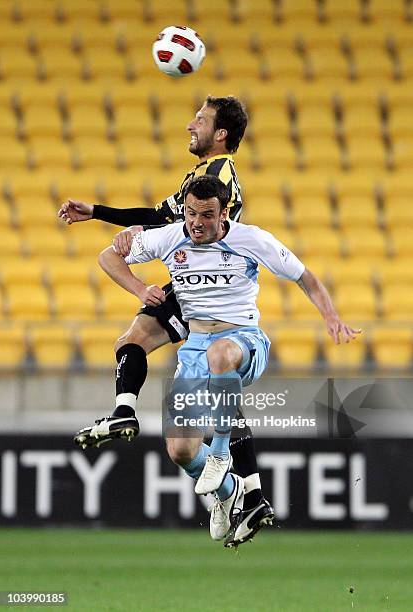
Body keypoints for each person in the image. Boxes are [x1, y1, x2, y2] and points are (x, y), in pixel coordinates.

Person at [98, 175, 361, 545]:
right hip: (194, 350)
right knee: (181, 450)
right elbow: (107, 256)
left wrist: (331, 316)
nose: (196, 223)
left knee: (220, 353)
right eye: (190, 213)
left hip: (243, 340)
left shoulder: (250, 239)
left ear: (224, 213)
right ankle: (229, 492)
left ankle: (221, 453)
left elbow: (306, 277)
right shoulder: (172, 236)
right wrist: (142, 289)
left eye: (206, 215)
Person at [59, 95, 274, 544]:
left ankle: (244, 490)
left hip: (210, 291)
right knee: (140, 347)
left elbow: (185, 226)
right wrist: (98, 213)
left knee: (187, 358)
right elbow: (159, 217)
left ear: (220, 134)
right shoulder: (200, 176)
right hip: (192, 286)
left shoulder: (218, 176)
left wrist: (141, 235)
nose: (189, 124)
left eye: (200, 117)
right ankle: (244, 491)